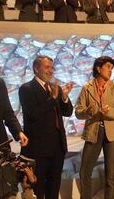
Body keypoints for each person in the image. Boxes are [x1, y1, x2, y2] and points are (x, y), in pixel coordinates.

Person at [19, 55, 74, 199]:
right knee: (38, 187)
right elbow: (34, 114)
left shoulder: (53, 88)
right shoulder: (27, 89)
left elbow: (68, 112)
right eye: (47, 67)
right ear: (36, 68)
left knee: (54, 185)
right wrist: (53, 98)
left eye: (52, 67)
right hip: (39, 149)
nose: (51, 71)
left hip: (57, 147)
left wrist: (64, 97)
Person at [75, 56, 114, 199]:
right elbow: (78, 112)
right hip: (93, 131)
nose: (110, 70)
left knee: (111, 174)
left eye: (112, 68)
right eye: (108, 67)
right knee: (85, 172)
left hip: (113, 133)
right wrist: (88, 112)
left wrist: (107, 111)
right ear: (98, 68)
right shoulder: (87, 88)